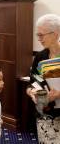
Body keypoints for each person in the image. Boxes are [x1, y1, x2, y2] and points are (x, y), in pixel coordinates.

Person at [26, 14, 60, 143]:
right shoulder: (40, 57)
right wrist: (32, 93)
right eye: (37, 35)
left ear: (55, 34)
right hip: (46, 114)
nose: (39, 39)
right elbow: (33, 83)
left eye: (41, 35)